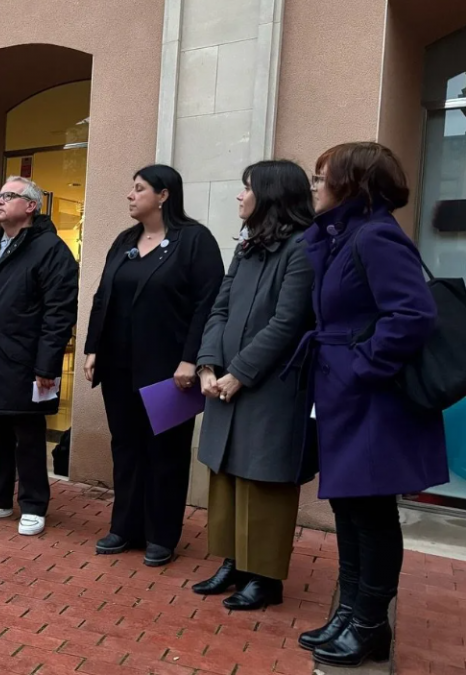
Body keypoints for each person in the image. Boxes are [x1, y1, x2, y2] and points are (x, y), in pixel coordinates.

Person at [291, 142, 447, 668]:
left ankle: (369, 624)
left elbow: (413, 314)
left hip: (370, 399)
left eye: (322, 176)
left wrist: (363, 368)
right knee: (349, 509)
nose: (314, 186)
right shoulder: (338, 237)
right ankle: (350, 614)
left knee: (372, 513)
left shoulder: (376, 235)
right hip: (340, 393)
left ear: (353, 183)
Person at [83, 165, 224, 566]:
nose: (130, 195)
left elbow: (208, 303)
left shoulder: (194, 240)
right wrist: (93, 348)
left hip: (170, 371)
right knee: (126, 447)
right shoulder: (124, 240)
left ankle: (162, 534)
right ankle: (124, 527)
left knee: (166, 452)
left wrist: (192, 360)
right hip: (119, 365)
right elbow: (102, 296)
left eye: (139, 188)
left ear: (163, 195)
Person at [192, 160, 316, 610]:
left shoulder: (303, 247)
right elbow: (219, 308)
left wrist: (240, 372)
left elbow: (289, 322)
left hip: (269, 385)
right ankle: (233, 560)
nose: (239, 196)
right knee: (224, 472)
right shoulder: (247, 246)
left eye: (246, 188)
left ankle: (264, 575)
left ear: (271, 195)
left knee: (262, 478)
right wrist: (208, 364)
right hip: (225, 379)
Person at [0, 176, 79, 537]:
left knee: (28, 433)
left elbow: (59, 312)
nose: (0, 200)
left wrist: (47, 364)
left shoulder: (50, 249)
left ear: (31, 206)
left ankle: (34, 504)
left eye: (9, 195)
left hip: (25, 358)